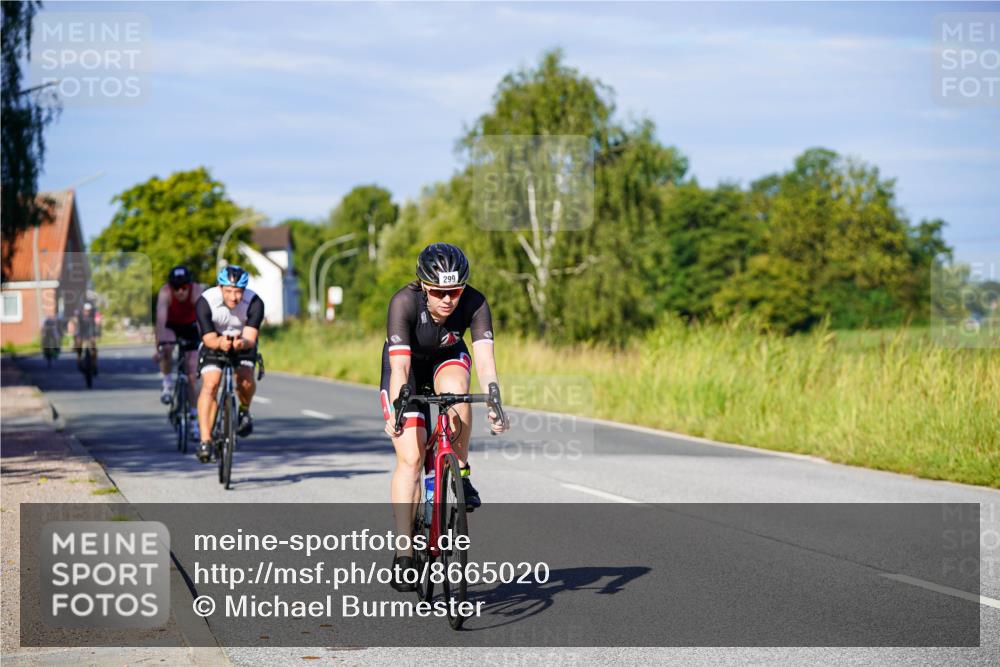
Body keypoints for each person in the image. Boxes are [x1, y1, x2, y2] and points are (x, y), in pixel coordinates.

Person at [380, 242, 508, 591]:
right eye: (438, 292)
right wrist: (397, 409)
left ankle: (461, 471)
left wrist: (495, 400)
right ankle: (405, 548)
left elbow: (484, 361)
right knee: (410, 457)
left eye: (454, 291)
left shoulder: (476, 303)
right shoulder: (403, 303)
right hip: (406, 367)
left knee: (458, 394)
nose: (448, 300)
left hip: (447, 359)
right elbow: (401, 366)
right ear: (423, 285)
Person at [194, 265, 263, 463]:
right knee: (211, 384)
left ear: (245, 290)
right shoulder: (206, 301)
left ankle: (244, 410)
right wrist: (220, 343)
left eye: (238, 292)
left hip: (242, 342)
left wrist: (240, 343)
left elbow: (250, 338)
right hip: (214, 342)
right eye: (229, 291)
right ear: (220, 287)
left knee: (245, 379)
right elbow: (208, 339)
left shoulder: (255, 302)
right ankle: (205, 440)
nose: (233, 297)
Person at [153, 266, 204, 406]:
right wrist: (159, 348)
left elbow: (203, 318)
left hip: (191, 325)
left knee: (193, 372)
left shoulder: (197, 291)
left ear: (190, 286)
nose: (180, 291)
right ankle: (167, 382)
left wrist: (205, 341)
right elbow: (161, 320)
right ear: (171, 287)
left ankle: (194, 417)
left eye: (184, 287)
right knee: (167, 346)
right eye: (176, 288)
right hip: (171, 325)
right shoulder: (165, 292)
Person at [70, 301, 101, 374]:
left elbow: (97, 323)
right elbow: (75, 322)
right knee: (78, 346)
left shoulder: (94, 314)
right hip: (81, 333)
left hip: (91, 333)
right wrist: (74, 329)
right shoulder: (79, 315)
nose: (87, 312)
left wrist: (97, 334)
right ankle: (79, 360)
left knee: (94, 349)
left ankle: (94, 365)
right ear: (83, 309)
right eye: (86, 310)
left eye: (88, 310)